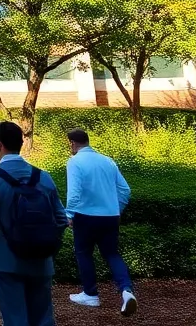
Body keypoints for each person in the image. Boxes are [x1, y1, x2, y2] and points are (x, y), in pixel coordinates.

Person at [0, 121, 67, 326]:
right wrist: (48, 245)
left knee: (15, 318)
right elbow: (61, 219)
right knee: (44, 318)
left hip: (5, 260)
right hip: (42, 259)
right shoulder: (43, 177)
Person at [65, 128, 137, 315]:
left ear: (72, 143)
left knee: (84, 253)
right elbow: (125, 190)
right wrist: (117, 209)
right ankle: (126, 290)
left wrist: (69, 214)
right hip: (110, 217)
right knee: (112, 254)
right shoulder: (108, 161)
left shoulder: (74, 162)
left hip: (85, 216)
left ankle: (90, 294)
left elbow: (74, 192)